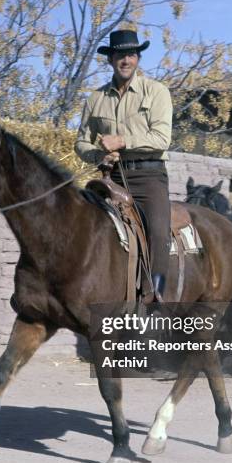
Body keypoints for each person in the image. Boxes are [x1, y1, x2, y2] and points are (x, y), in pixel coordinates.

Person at [75, 29, 172, 299]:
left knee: (158, 232)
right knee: (78, 225)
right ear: (110, 60)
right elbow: (81, 142)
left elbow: (162, 138)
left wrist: (122, 141)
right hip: (110, 177)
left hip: (149, 177)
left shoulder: (156, 92)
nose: (125, 60)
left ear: (138, 58)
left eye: (130, 54)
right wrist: (98, 156)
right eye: (120, 55)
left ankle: (156, 298)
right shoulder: (95, 99)